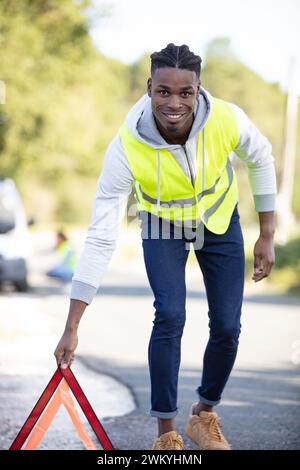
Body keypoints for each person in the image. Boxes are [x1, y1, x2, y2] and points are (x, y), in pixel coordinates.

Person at [54, 44, 276, 450]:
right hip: (162, 224)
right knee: (170, 316)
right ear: (149, 88)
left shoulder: (227, 118)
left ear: (198, 89)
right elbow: (101, 235)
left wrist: (267, 233)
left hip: (219, 218)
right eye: (163, 91)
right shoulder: (127, 145)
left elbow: (261, 157)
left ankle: (203, 415)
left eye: (185, 93)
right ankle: (166, 435)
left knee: (227, 325)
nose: (174, 103)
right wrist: (72, 326)